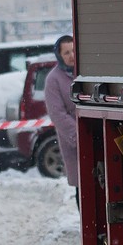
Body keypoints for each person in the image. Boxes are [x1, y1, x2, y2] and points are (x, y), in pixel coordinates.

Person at [44, 34, 78, 200]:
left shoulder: (85, 71)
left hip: (96, 138)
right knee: (83, 185)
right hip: (74, 143)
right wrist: (79, 136)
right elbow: (57, 113)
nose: (71, 55)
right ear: (59, 56)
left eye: (73, 50)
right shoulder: (53, 79)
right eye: (66, 53)